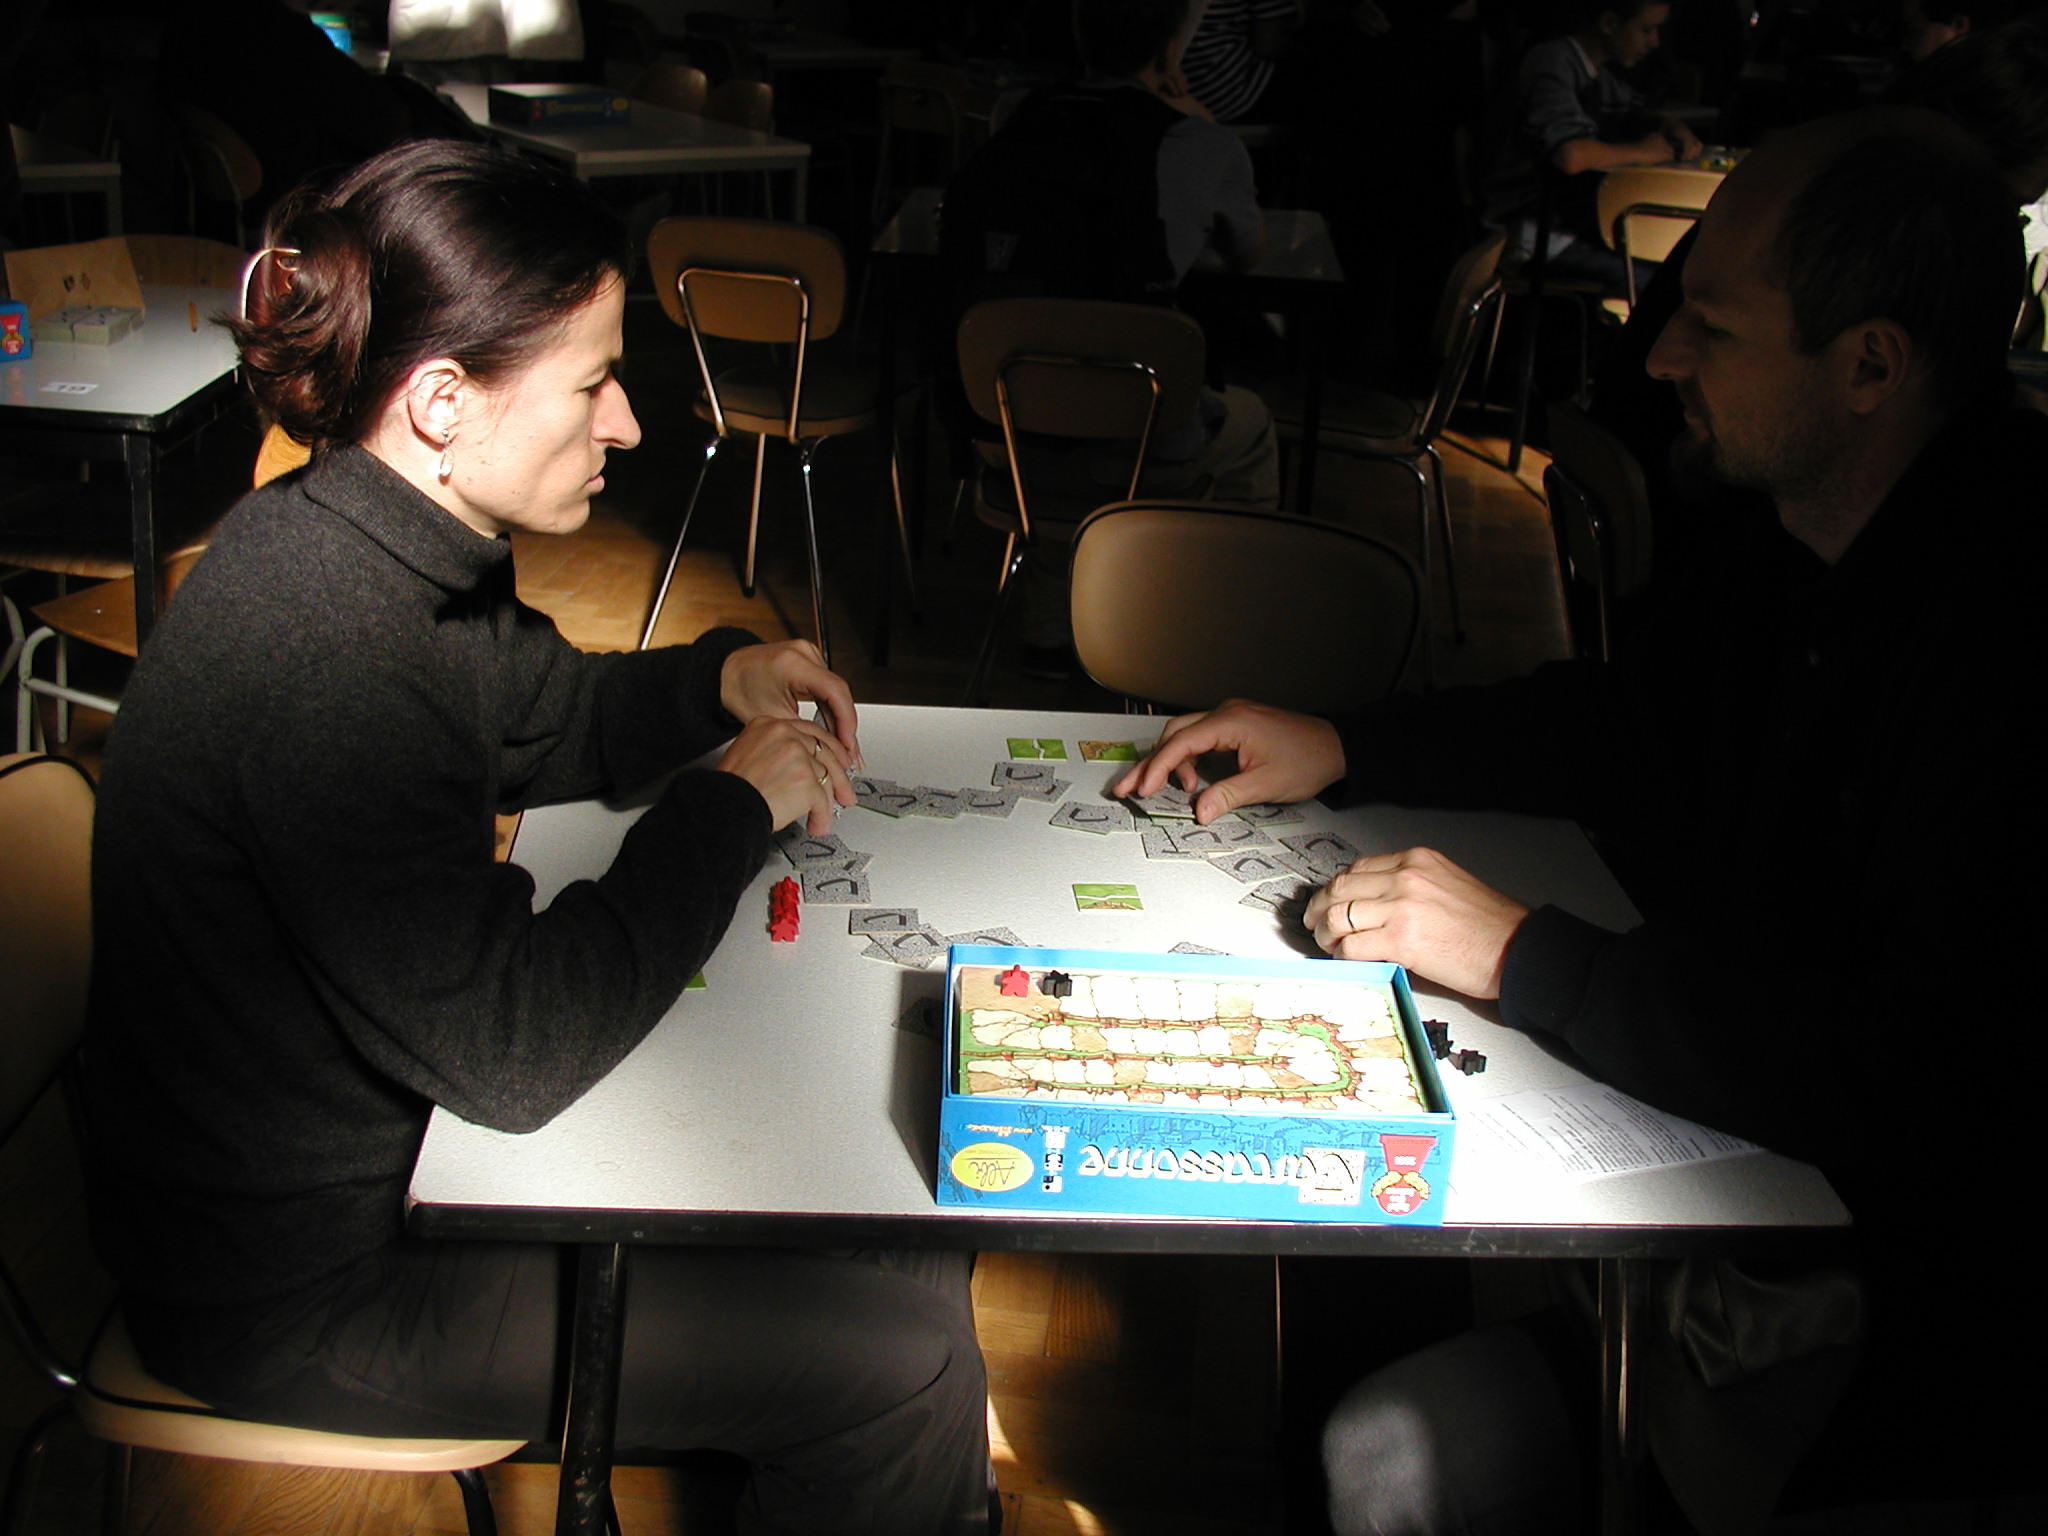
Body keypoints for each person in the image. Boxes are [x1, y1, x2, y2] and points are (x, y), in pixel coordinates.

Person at [1116, 110, 2038, 1531]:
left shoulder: (2003, 630)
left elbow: (1902, 1073)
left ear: (1869, 367)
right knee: (1350, 1240)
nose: (1660, 359)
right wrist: (1351, 742)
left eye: (1710, 329)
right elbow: (1625, 728)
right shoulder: (1791, 525)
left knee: (1379, 1399)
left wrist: (1517, 952)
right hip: (1717, 1206)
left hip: (1896, 1352)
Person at [84, 140, 993, 1535]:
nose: (625, 423)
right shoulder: (327, 655)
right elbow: (514, 1052)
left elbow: (545, 713)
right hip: (309, 1281)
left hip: (399, 1168)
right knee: (906, 1367)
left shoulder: (381, 537)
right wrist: (728, 803)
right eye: (591, 384)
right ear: (444, 400)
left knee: (906, 1220)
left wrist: (717, 680)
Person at [939, 0, 1281, 676]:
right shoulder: (1197, 143)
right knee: (1252, 425)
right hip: (1140, 444)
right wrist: (1206, 124)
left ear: (1079, 33)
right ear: (1171, 47)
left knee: (1058, 391)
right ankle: (1208, 623)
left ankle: (1048, 631)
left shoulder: (1016, 121)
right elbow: (1251, 252)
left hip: (1008, 437)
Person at [1476, 0, 1703, 295]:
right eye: (1647, 29)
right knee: (1668, 285)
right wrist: (1645, 152)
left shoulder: (1595, 74)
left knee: (1678, 266)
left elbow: (1634, 112)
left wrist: (1671, 125)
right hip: (1535, 237)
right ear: (1609, 23)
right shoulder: (1551, 61)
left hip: (1573, 229)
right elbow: (1570, 156)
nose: (1654, 41)